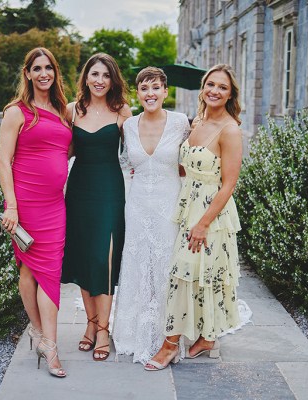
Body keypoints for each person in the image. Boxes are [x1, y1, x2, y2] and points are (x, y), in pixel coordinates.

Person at [144, 64, 244, 371]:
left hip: (211, 213)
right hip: (188, 204)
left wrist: (203, 223)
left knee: (182, 275)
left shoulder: (230, 129)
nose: (215, 90)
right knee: (199, 275)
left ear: (230, 94)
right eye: (210, 84)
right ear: (203, 88)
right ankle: (206, 338)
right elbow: (186, 166)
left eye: (222, 87)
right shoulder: (197, 122)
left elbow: (229, 183)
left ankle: (170, 345)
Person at [0, 47, 71, 378]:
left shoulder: (61, 110)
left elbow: (65, 150)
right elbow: (3, 160)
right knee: (29, 270)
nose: (44, 73)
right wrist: (11, 205)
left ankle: (41, 336)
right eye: (37, 68)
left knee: (47, 272)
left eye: (49, 68)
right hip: (24, 205)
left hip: (55, 205)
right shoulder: (17, 111)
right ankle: (48, 343)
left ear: (55, 73)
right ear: (27, 73)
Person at [112, 67, 190, 365]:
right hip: (138, 204)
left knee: (166, 266)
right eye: (144, 89)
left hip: (170, 205)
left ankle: (168, 334)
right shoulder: (128, 126)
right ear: (137, 94)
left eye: (156, 88)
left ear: (165, 92)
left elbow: (192, 160)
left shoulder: (182, 123)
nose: (150, 94)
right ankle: (133, 331)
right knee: (138, 264)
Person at [61, 53, 132, 361]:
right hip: (78, 191)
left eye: (106, 75)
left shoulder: (122, 111)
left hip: (109, 191)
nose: (100, 80)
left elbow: (140, 149)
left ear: (112, 80)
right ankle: (90, 325)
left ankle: (104, 328)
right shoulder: (72, 110)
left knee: (104, 257)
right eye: (95, 74)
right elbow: (62, 151)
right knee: (85, 257)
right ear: (86, 78)